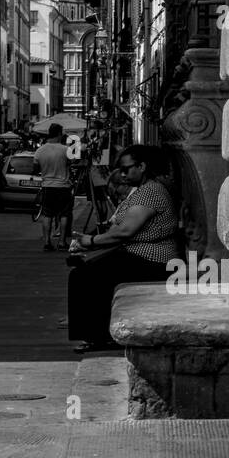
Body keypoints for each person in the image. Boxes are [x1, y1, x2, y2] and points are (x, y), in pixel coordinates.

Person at [66, 144, 179, 353]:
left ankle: (97, 336)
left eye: (127, 169)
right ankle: (97, 333)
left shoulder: (150, 192)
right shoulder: (145, 190)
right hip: (139, 253)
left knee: (84, 277)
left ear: (142, 166)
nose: (123, 174)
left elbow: (125, 231)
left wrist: (90, 241)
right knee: (87, 270)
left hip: (152, 258)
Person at [33, 123, 75, 251]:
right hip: (63, 186)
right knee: (64, 215)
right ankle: (62, 242)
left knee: (47, 215)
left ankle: (47, 242)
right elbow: (72, 162)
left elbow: (35, 169)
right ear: (59, 134)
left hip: (47, 186)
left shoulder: (40, 150)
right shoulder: (65, 150)